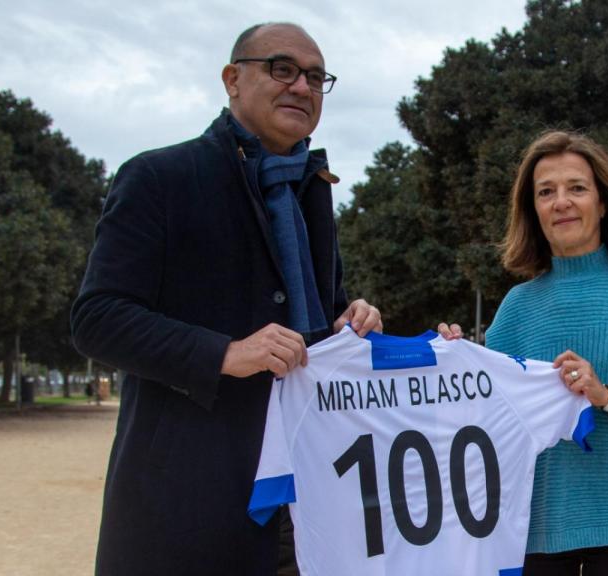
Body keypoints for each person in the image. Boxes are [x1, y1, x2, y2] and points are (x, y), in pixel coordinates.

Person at [71, 23, 381, 576]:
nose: (302, 88)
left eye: (315, 78)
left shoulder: (314, 194)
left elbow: (316, 324)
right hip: (188, 499)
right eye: (282, 69)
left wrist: (350, 321)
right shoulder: (158, 177)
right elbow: (97, 319)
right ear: (232, 79)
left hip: (307, 498)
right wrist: (225, 353)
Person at [439, 130, 608, 575]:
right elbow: (485, 416)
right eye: (546, 192)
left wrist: (607, 397)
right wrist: (455, 362)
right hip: (535, 530)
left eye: (576, 188)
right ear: (533, 211)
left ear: (603, 203)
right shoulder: (517, 308)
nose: (561, 201)